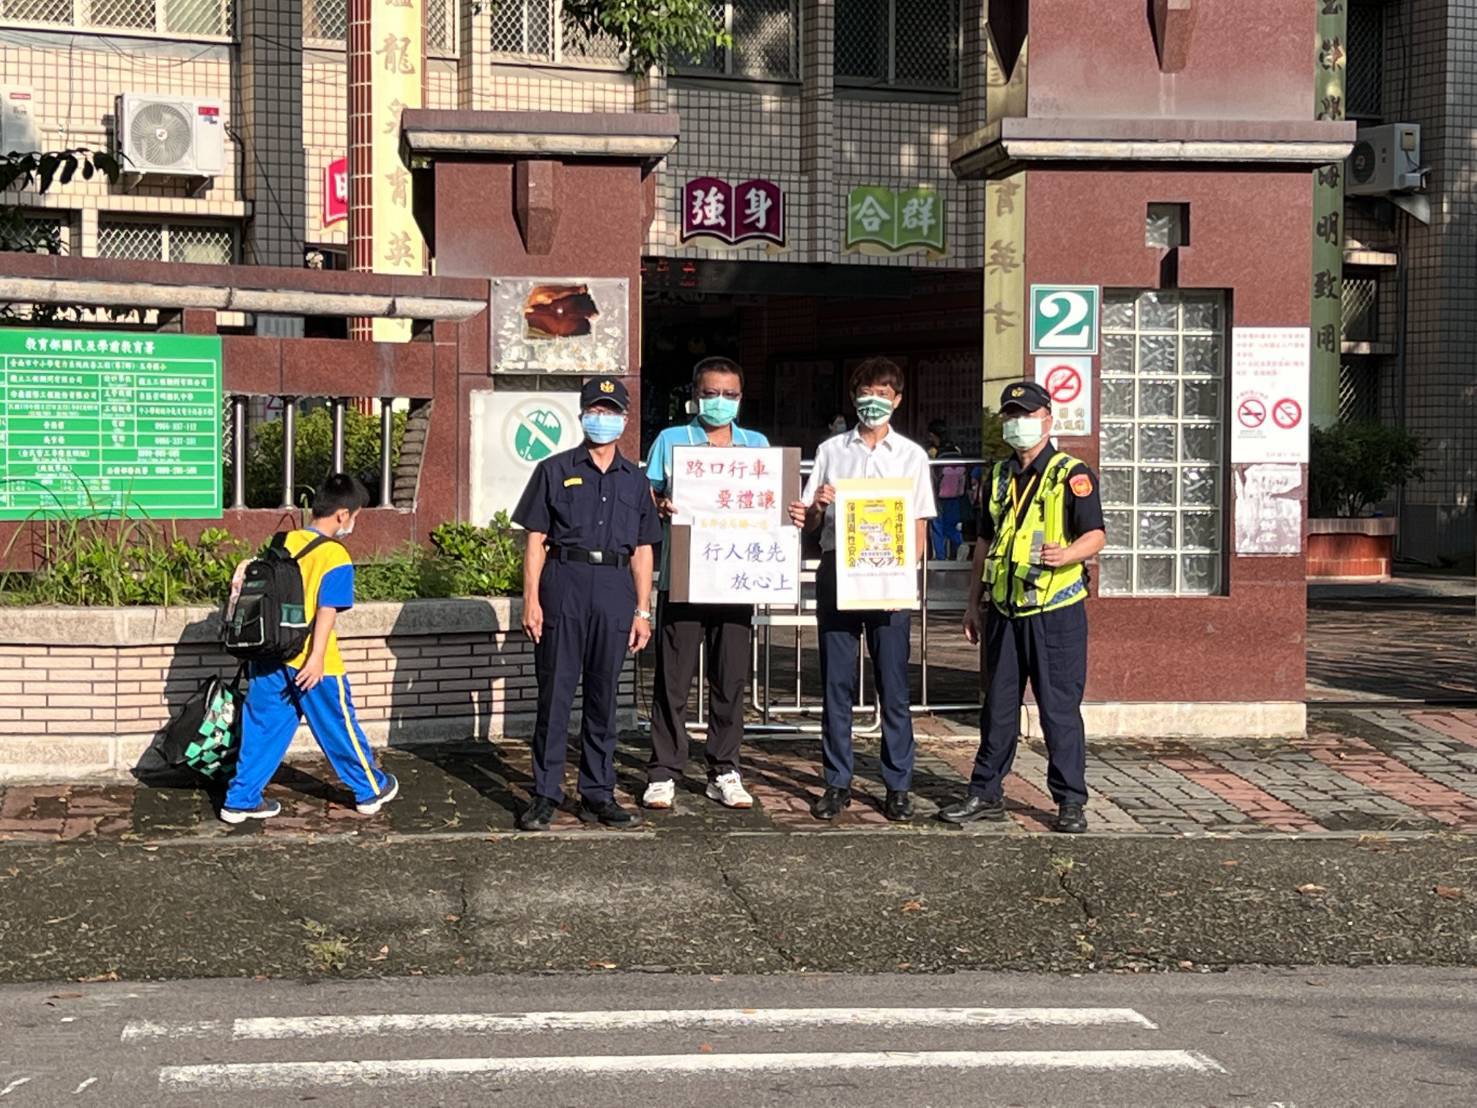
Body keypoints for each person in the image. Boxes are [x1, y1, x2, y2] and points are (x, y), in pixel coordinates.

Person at [939, 381, 1106, 834]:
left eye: (1026, 415)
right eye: (1011, 415)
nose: (1018, 423)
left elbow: (1096, 534)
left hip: (1056, 611)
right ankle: (985, 793)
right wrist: (973, 604)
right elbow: (984, 542)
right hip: (1005, 610)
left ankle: (1070, 801)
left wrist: (1068, 555)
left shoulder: (1072, 473)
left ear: (1048, 420)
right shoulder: (995, 476)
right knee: (997, 707)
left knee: (1058, 709)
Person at [788, 357, 936, 822]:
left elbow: (918, 527)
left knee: (892, 684)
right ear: (853, 398)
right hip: (838, 572)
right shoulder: (832, 449)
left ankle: (897, 784)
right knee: (836, 681)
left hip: (890, 581)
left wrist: (904, 577)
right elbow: (810, 520)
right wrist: (814, 506)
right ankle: (836, 781)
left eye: (883, 393)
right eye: (865, 392)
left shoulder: (913, 456)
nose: (873, 401)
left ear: (897, 400)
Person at [512, 376, 661, 831]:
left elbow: (643, 548)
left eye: (611, 411)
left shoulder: (635, 479)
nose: (603, 418)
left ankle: (598, 791)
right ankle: (545, 793)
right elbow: (536, 540)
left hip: (615, 589)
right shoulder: (554, 469)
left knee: (604, 698)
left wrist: (643, 609)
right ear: (582, 415)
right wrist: (531, 599)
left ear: (624, 419)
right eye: (595, 410)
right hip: (565, 583)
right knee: (555, 695)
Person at [221, 474, 399, 824]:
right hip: (312, 662)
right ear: (342, 515)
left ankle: (239, 800)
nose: (354, 523)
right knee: (338, 727)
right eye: (357, 516)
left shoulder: (282, 541)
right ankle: (370, 788)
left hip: (270, 655)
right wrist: (317, 658)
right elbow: (326, 610)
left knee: (262, 729)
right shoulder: (335, 555)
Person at [643, 357, 769, 811]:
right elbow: (649, 495)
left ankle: (725, 768)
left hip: (737, 579)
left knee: (730, 680)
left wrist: (790, 516)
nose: (720, 402)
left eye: (730, 394)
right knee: (673, 681)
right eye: (712, 393)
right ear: (695, 395)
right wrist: (660, 505)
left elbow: (771, 508)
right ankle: (663, 770)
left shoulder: (757, 445)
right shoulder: (671, 440)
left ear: (741, 397)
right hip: (685, 577)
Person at [927, 419, 967, 560]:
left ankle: (940, 557)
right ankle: (960, 543)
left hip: (938, 495)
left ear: (933, 435)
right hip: (956, 494)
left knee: (937, 527)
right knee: (951, 525)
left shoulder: (933, 452)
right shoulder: (956, 450)